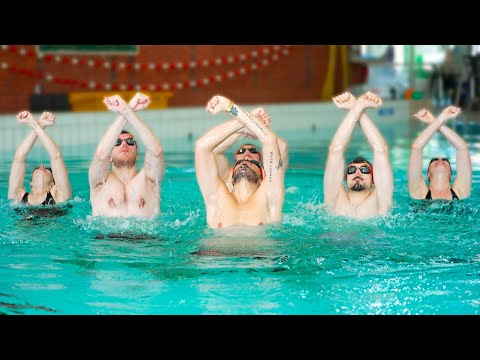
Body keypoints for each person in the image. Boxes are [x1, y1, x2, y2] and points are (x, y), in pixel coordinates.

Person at [195, 95, 286, 228]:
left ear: (263, 176)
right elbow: (202, 147)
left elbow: (270, 141)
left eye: (252, 163)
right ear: (231, 178)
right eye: (239, 162)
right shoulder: (216, 198)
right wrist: (245, 121)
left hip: (261, 250)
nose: (245, 160)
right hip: (215, 250)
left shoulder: (270, 196)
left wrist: (229, 106)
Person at [89, 93, 164, 217]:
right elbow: (101, 155)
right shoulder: (100, 182)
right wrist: (128, 109)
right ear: (110, 155)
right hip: (106, 237)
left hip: (146, 237)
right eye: (117, 142)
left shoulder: (149, 180)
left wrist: (127, 111)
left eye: (130, 141)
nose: (124, 145)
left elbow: (156, 151)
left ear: (137, 151)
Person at [324, 91, 393, 218]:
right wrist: (358, 106)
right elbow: (335, 150)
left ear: (374, 180)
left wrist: (358, 105)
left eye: (364, 169)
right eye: (351, 169)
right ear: (345, 178)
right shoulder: (334, 198)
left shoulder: (381, 202)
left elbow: (381, 150)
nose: (357, 172)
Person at [213, 106, 288, 191]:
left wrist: (256, 129)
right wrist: (245, 131)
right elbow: (214, 150)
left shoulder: (267, 176)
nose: (247, 154)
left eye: (253, 151)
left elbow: (282, 146)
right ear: (235, 158)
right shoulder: (227, 175)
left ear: (260, 159)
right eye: (241, 151)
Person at [8, 111, 72, 206]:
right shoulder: (17, 196)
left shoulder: (60, 197)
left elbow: (56, 156)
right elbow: (18, 158)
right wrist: (39, 125)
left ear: (53, 185)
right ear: (30, 184)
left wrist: (34, 124)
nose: (42, 166)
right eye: (37, 169)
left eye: (47, 169)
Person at [408, 106, 471, 200]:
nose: (440, 158)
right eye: (434, 160)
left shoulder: (461, 190)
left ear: (450, 175)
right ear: (428, 175)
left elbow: (463, 148)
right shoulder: (418, 191)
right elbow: (416, 148)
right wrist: (442, 117)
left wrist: (433, 121)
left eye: (446, 160)